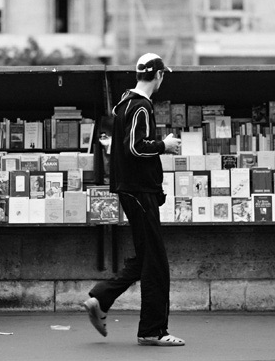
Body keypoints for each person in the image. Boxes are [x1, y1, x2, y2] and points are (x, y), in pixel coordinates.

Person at [83, 53, 184, 347]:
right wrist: (165, 145)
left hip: (132, 189)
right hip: (140, 191)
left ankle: (101, 298)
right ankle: (153, 331)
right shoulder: (140, 106)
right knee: (157, 264)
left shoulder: (125, 103)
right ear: (159, 76)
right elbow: (135, 148)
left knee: (145, 258)